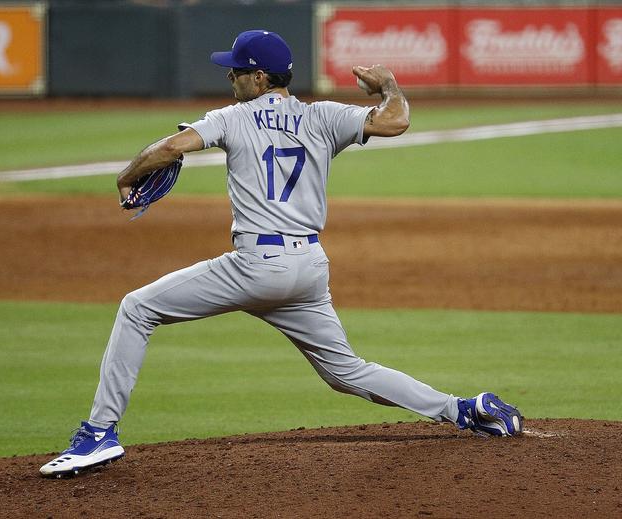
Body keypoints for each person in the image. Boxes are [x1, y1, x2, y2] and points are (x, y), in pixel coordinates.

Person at [40, 30, 522, 477]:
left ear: (260, 77)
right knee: (346, 372)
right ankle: (466, 409)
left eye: (236, 70)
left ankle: (99, 433)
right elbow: (396, 120)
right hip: (308, 269)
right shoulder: (324, 116)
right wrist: (389, 85)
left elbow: (172, 147)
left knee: (137, 308)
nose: (230, 76)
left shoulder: (232, 118)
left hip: (255, 266)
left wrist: (127, 176)